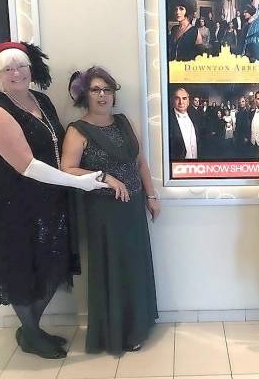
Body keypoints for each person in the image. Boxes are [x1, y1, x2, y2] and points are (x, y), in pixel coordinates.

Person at [0, 42, 107, 359]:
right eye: (7, 69)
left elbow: (61, 145)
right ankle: (32, 334)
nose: (16, 73)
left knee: (53, 265)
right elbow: (27, 166)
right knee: (22, 268)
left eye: (21, 66)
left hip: (51, 200)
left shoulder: (43, 101)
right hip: (14, 206)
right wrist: (78, 181)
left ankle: (30, 330)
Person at [61, 66, 160, 354]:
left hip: (133, 209)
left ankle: (137, 326)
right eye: (95, 90)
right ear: (85, 95)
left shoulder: (125, 122)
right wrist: (104, 177)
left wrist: (152, 196)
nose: (102, 95)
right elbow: (67, 169)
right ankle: (118, 333)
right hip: (103, 212)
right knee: (113, 269)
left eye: (107, 89)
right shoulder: (78, 130)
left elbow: (140, 162)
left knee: (134, 266)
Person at [169, 86, 200, 159]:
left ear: (188, 101)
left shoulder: (195, 116)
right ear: (173, 100)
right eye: (177, 98)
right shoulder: (168, 119)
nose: (181, 102)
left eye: (184, 98)